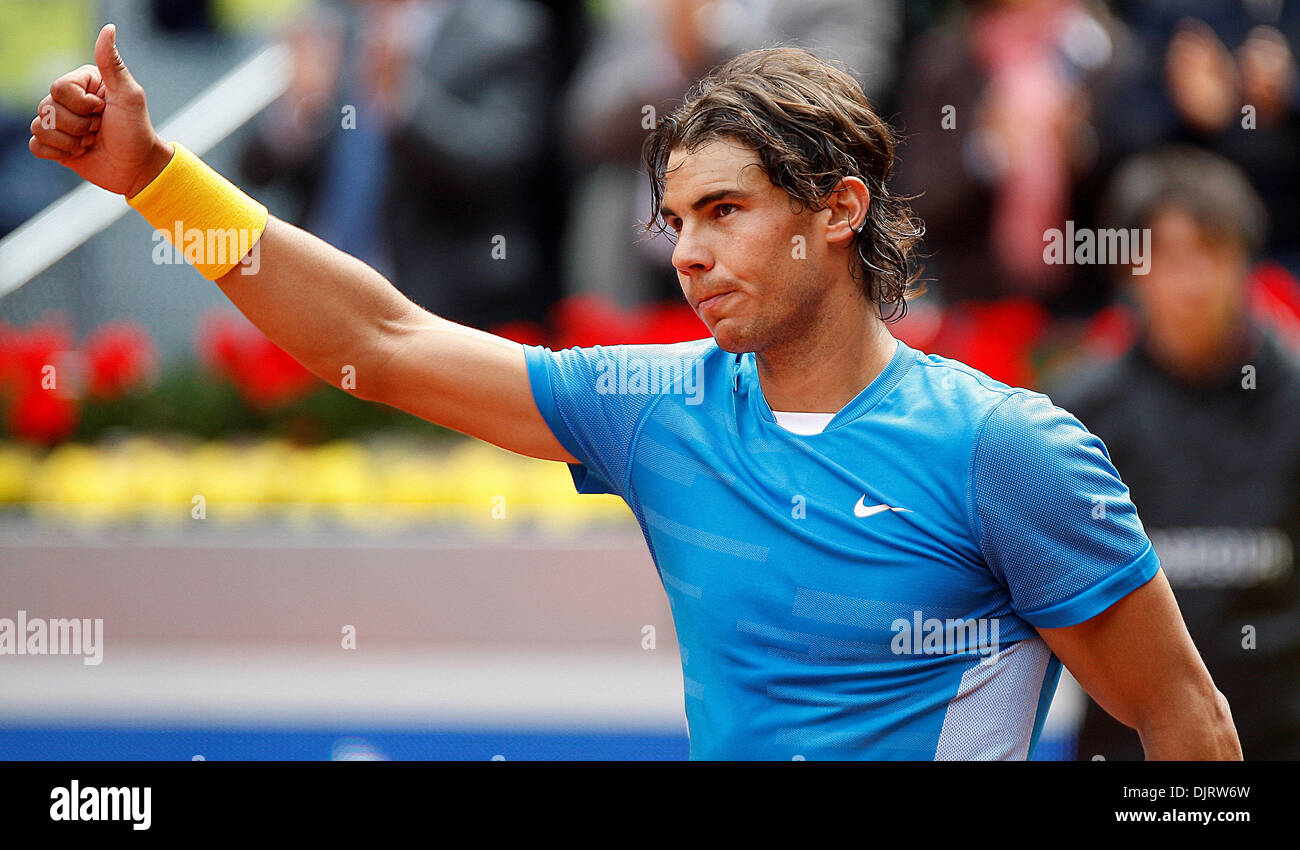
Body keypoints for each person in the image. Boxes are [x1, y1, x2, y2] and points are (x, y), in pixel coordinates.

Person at [28, 25, 1240, 760]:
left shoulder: (1006, 450)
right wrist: (154, 180)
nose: (687, 253)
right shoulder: (653, 404)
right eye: (674, 221)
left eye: (725, 212)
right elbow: (379, 340)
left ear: (839, 208)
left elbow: (1185, 723)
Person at [1048, 146, 1300, 760]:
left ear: (1245, 261)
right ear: (1131, 272)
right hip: (1127, 751)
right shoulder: (1075, 415)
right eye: (1167, 258)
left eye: (1210, 253)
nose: (1192, 282)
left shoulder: (1294, 398)